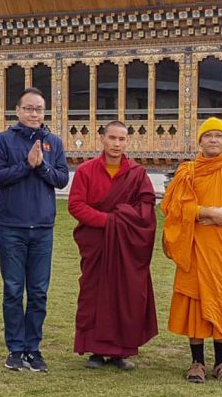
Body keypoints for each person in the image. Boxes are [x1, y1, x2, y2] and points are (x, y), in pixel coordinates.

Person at [161, 117, 222, 383]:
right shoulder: (188, 172)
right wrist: (204, 211)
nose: (213, 140)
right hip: (194, 246)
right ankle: (196, 362)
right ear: (200, 141)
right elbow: (173, 208)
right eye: (208, 136)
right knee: (195, 301)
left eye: (219, 136)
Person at [68, 120, 158, 371]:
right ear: (102, 139)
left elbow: (146, 207)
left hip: (126, 246)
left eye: (122, 139)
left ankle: (122, 351)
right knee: (94, 293)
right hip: (97, 242)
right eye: (113, 138)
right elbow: (76, 205)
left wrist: (119, 220)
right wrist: (107, 221)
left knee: (126, 294)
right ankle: (95, 350)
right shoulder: (86, 171)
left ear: (127, 142)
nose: (117, 144)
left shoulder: (136, 174)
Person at [0, 87, 69, 372]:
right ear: (18, 111)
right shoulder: (3, 141)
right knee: (13, 289)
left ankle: (33, 349)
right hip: (12, 226)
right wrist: (26, 165)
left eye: (39, 109)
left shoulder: (54, 142)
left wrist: (42, 167)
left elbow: (61, 179)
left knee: (38, 291)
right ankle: (15, 348)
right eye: (28, 108)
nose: (34, 113)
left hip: (43, 229)